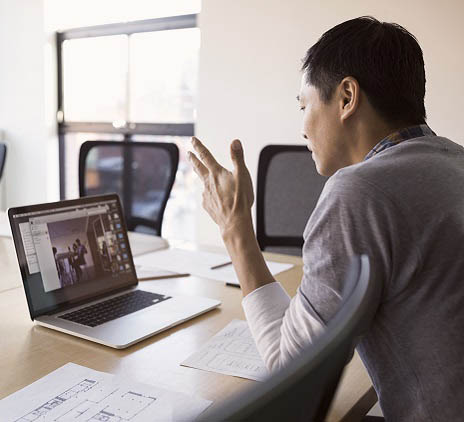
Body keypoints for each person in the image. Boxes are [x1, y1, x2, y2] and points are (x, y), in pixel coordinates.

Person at [188, 16, 464, 422]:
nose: (302, 128)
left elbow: (292, 372)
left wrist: (235, 229)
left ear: (347, 97)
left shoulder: (361, 192)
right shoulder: (455, 161)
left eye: (305, 105)